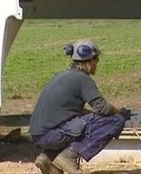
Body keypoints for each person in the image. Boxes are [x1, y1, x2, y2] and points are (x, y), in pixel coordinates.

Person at [28, 39, 131, 174]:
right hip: (52, 135)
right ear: (90, 61)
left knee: (81, 124)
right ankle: (68, 156)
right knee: (115, 121)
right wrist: (120, 112)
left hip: (39, 135)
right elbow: (104, 109)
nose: (97, 64)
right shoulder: (82, 79)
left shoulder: (63, 76)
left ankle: (47, 157)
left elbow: (72, 110)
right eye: (96, 60)